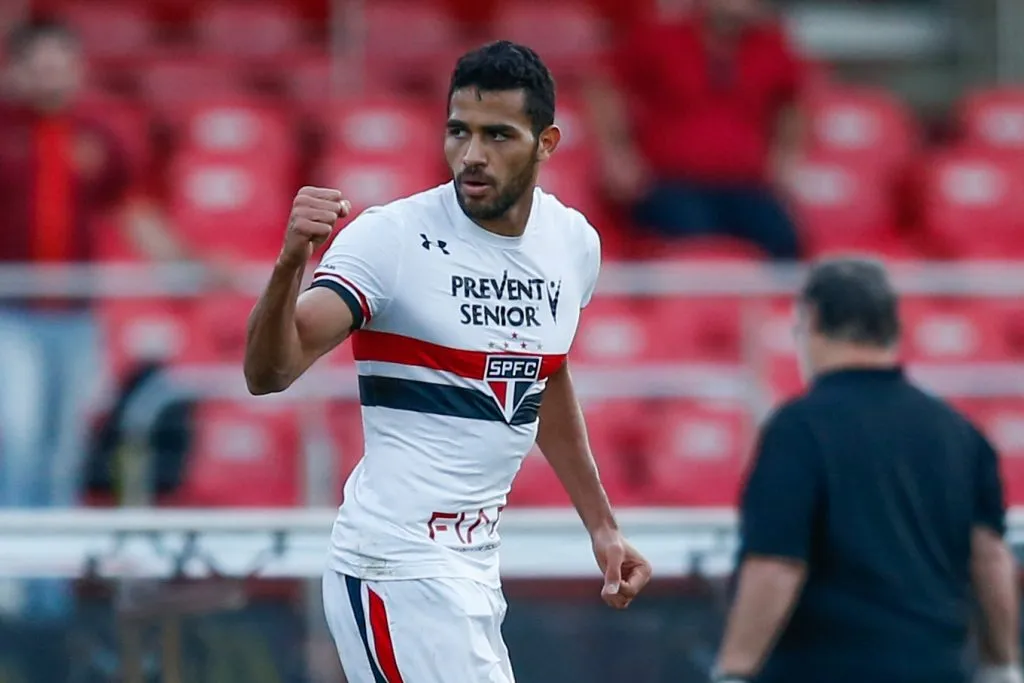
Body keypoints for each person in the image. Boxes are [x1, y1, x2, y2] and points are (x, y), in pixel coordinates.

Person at [244, 41, 653, 682]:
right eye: (458, 132)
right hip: (393, 567)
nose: (473, 155)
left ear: (546, 143)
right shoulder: (392, 239)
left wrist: (601, 526)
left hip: (473, 570)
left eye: (498, 135)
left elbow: (541, 377)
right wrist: (290, 263)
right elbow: (268, 374)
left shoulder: (573, 243)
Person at [712, 258, 1021, 683]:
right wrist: (1000, 665)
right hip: (936, 668)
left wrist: (734, 669)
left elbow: (777, 565)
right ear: (893, 327)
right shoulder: (959, 432)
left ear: (813, 321)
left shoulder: (799, 428)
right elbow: (989, 556)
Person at [0, 19, 209, 622]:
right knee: (16, 443)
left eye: (59, 63)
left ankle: (50, 590)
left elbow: (133, 211)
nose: (48, 75)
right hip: (10, 317)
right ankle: (13, 586)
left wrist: (189, 266)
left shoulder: (97, 136)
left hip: (74, 317)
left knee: (62, 450)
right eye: (37, 64)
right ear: (17, 69)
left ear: (76, 68)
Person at [588, 0, 804, 260]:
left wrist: (787, 155)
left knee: (786, 243)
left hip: (748, 186)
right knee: (697, 247)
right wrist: (617, 153)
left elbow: (793, 103)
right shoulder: (661, 37)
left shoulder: (773, 45)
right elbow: (605, 88)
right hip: (672, 184)